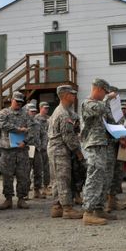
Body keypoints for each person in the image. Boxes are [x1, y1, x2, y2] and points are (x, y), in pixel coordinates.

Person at [81, 78, 126, 225]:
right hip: (94, 146)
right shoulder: (88, 103)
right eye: (105, 92)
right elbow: (99, 109)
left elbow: (111, 121)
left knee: (105, 179)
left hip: (105, 145)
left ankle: (99, 209)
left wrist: (122, 134)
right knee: (94, 178)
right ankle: (88, 213)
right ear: (99, 89)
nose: (106, 95)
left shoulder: (102, 103)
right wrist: (108, 98)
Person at [48, 85, 85, 220]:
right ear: (65, 96)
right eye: (72, 94)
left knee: (58, 179)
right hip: (59, 149)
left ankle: (57, 207)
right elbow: (68, 137)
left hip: (58, 149)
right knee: (63, 178)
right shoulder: (62, 113)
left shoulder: (65, 111)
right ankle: (67, 209)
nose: (74, 96)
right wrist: (78, 152)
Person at [0, 91, 34, 210]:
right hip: (7, 150)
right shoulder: (4, 112)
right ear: (12, 100)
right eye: (16, 101)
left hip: (21, 149)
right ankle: (8, 199)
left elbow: (32, 129)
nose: (18, 104)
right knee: (7, 175)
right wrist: (18, 129)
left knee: (22, 175)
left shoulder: (26, 114)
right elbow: (1, 124)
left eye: (20, 102)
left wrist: (26, 141)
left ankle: (21, 199)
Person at [26, 103, 46, 199]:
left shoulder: (38, 123)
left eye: (34, 111)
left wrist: (43, 145)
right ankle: (24, 192)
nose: (33, 113)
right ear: (27, 111)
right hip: (26, 149)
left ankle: (37, 190)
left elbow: (44, 134)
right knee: (25, 171)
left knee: (38, 170)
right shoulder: (23, 123)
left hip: (37, 149)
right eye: (31, 111)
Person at [35, 102, 51, 196]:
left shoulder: (49, 119)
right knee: (37, 168)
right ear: (40, 108)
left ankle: (45, 187)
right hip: (38, 147)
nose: (46, 110)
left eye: (47, 108)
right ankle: (36, 188)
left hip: (47, 146)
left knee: (46, 168)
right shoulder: (35, 118)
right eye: (45, 108)